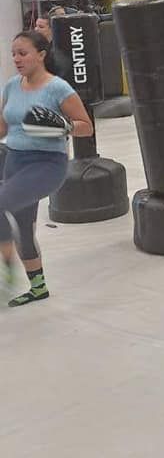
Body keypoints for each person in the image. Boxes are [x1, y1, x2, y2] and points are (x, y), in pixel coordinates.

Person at [0, 31, 93, 306]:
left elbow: (86, 127)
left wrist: (63, 126)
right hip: (14, 161)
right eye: (13, 53)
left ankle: (6, 262)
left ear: (41, 55)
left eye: (23, 53)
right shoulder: (11, 86)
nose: (16, 59)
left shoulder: (58, 88)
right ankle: (38, 287)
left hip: (46, 164)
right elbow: (4, 127)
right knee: (24, 229)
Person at [34, 13, 72, 79]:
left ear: (51, 29)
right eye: (36, 26)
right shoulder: (38, 46)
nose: (36, 29)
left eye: (41, 27)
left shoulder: (58, 50)